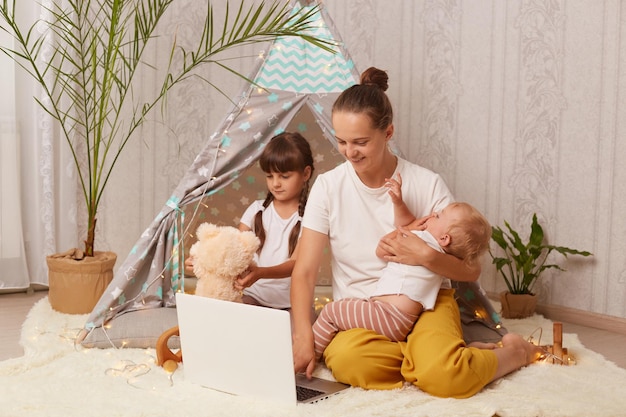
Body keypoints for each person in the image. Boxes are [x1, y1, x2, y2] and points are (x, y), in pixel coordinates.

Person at [290, 66, 542, 399]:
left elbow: (471, 269)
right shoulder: (328, 186)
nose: (350, 152)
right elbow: (304, 272)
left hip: (426, 305)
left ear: (388, 132)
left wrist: (425, 255)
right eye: (341, 141)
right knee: (353, 363)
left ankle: (514, 353)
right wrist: (303, 338)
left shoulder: (426, 182)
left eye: (361, 142)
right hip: (363, 305)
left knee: (446, 378)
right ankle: (435, 359)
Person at [311, 200, 491, 360]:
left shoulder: (422, 239)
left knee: (332, 311)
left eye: (437, 216)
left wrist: (410, 226)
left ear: (444, 238)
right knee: (346, 315)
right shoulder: (444, 260)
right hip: (398, 318)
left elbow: (381, 250)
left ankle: (310, 354)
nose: (431, 215)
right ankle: (464, 350)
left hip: (389, 315)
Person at [186, 132, 314, 310]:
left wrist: (261, 273)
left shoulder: (312, 217)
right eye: (270, 176)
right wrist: (203, 260)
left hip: (292, 303)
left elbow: (295, 264)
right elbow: (233, 249)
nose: (275, 183)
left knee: (301, 335)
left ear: (306, 173)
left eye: (284, 176)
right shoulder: (256, 210)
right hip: (252, 297)